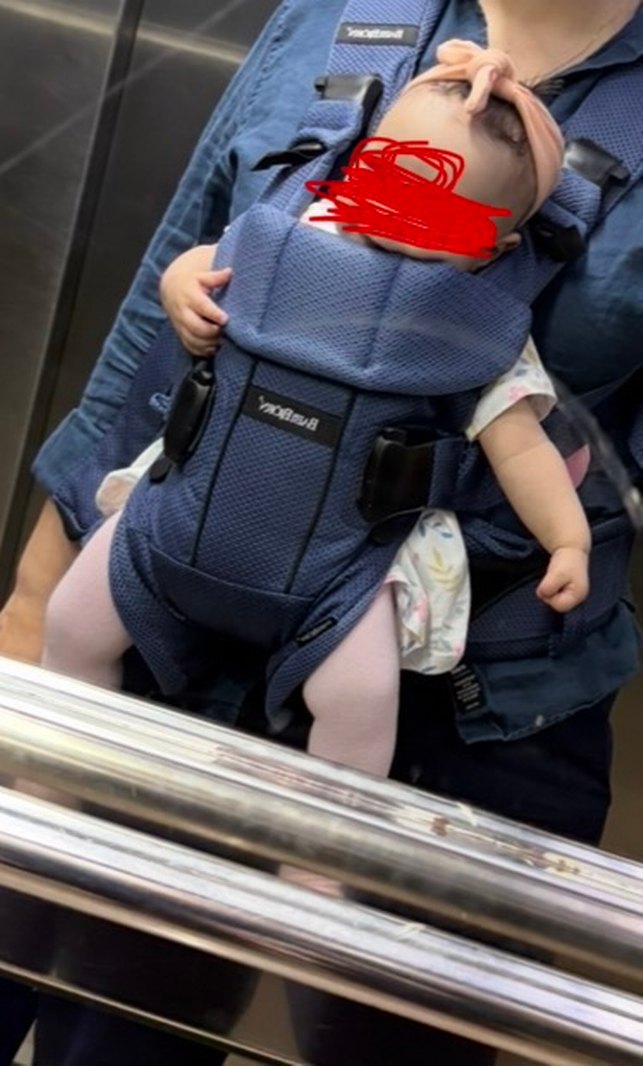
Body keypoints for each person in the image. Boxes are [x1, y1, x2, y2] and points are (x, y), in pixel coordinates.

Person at [1, 1, 641, 1064]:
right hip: (172, 630)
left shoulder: (496, 326)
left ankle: (326, 844)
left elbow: (546, 448)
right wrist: (38, 598)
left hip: (465, 704)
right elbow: (162, 316)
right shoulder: (335, 16)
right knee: (109, 1030)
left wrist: (558, 527)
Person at [39, 45, 590, 803]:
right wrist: (181, 283)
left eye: (439, 213)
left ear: (495, 248)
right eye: (386, 180)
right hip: (171, 519)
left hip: (343, 573)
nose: (398, 214)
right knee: (73, 623)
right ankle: (54, 780)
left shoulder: (480, 326)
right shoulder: (296, 230)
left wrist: (567, 539)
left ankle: (321, 842)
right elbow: (208, 260)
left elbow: (519, 444)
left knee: (359, 703)